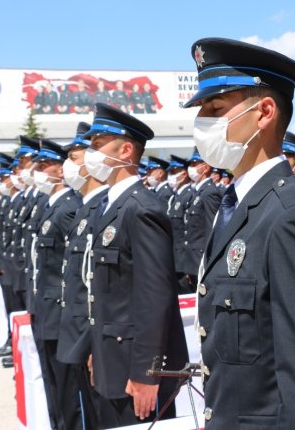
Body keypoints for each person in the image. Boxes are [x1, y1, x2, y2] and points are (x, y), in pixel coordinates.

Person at [187, 37, 295, 428]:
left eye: (215, 108)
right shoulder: (233, 204)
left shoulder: (291, 215)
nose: (202, 121)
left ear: (264, 112)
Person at [83, 103, 188, 427]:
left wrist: (148, 371)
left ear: (126, 150)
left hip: (136, 371)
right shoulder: (109, 206)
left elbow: (154, 297)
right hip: (111, 361)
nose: (91, 153)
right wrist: (96, 352)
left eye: (98, 144)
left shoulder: (141, 209)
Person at [56, 122, 109, 430]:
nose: (68, 166)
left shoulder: (102, 208)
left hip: (92, 337)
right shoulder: (83, 208)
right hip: (77, 331)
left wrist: (94, 344)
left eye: (74, 158)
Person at [31, 138, 81, 430]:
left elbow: (72, 269)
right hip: (46, 313)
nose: (37, 172)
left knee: (68, 396)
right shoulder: (52, 207)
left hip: (61, 316)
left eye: (43, 165)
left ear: (60, 170)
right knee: (54, 389)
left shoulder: (68, 208)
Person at [180, 150, 221, 293]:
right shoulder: (198, 192)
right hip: (192, 261)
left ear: (206, 167)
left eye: (194, 164)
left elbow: (212, 229)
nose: (191, 167)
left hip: (200, 261)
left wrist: (208, 263)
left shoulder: (210, 192)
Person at [165, 155, 195, 291]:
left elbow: (190, 231)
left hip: (184, 261)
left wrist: (190, 264)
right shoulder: (174, 197)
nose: (169, 176)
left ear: (183, 174)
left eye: (173, 172)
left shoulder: (190, 195)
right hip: (174, 258)